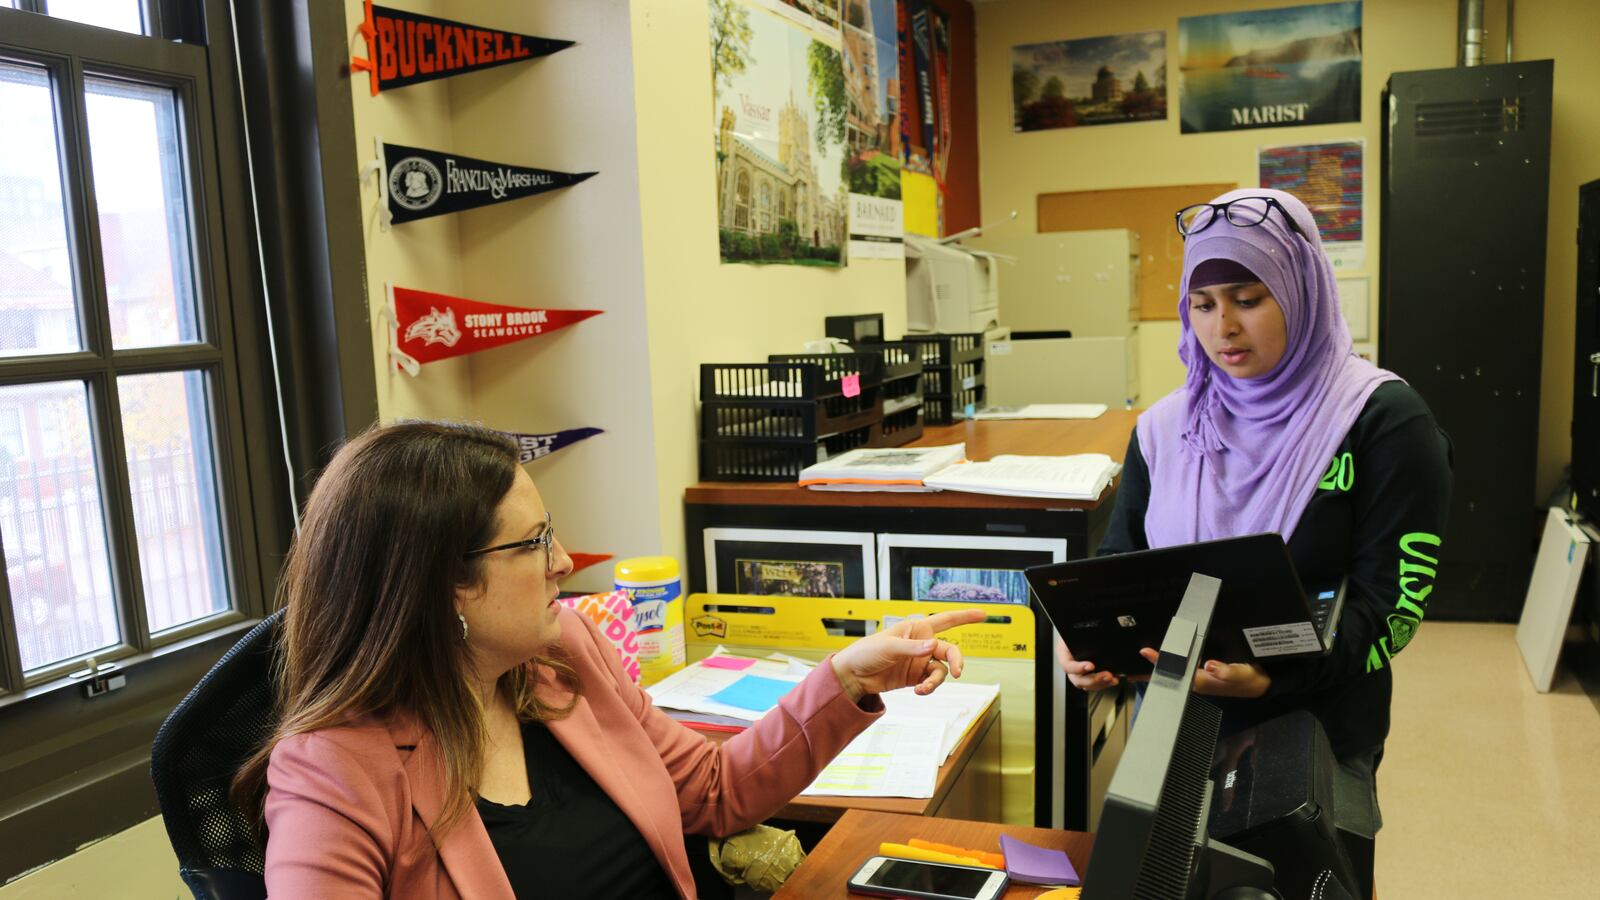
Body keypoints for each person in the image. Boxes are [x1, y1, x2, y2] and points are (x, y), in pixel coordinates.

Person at [234, 421, 984, 899]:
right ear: (442, 585)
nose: (562, 561)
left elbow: (712, 792)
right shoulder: (333, 769)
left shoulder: (562, 657)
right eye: (531, 543)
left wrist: (847, 677)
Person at [1055, 188, 1452, 893]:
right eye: (1202, 305)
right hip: (1178, 724)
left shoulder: (1384, 421)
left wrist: (1278, 677)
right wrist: (1091, 640)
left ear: (1300, 292)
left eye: (1247, 297)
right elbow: (1122, 561)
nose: (1222, 328)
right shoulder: (1165, 429)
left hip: (1316, 728)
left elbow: (1392, 605)